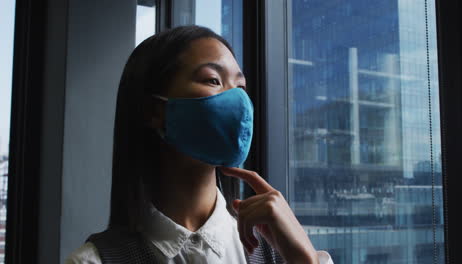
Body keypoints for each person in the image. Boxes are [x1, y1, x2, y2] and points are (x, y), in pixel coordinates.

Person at [65, 25, 333, 264]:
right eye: (213, 80)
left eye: (240, 86)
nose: (238, 101)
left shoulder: (284, 255)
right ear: (154, 111)